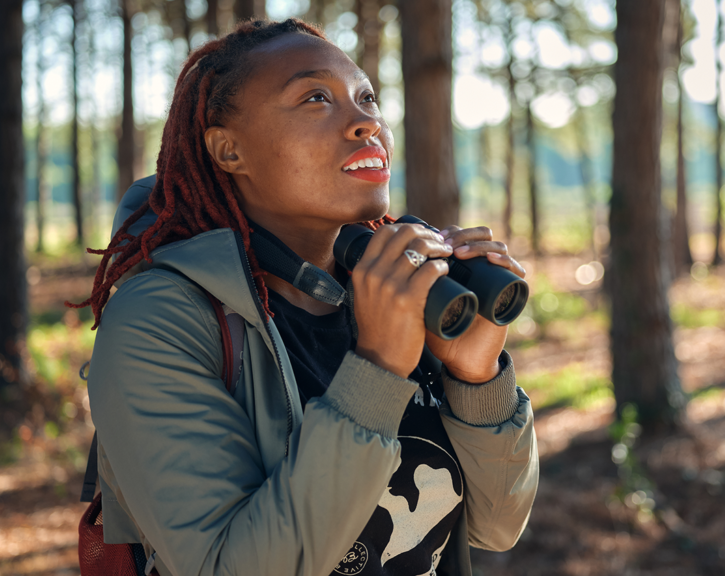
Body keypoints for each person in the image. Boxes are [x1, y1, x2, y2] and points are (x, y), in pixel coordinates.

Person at [71, 17, 538, 576]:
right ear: (228, 151)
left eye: (366, 97)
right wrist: (378, 368)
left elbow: (497, 524)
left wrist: (476, 377)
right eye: (316, 98)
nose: (365, 122)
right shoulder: (161, 320)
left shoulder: (386, 292)